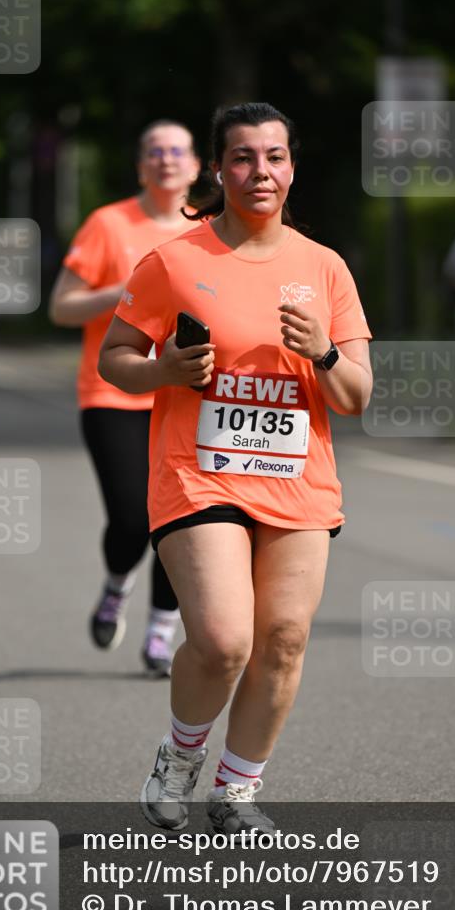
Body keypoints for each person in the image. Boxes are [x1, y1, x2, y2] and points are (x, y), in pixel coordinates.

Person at [98, 102, 373, 834]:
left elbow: (354, 395)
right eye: (244, 157)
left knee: (282, 638)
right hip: (200, 472)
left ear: (291, 167)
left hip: (296, 482)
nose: (261, 172)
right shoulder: (176, 261)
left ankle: (236, 791)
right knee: (224, 640)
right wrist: (163, 370)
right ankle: (179, 758)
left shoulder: (323, 268)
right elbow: (113, 358)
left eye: (275, 157)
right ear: (218, 169)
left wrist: (323, 351)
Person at [49, 120, 201, 676]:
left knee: (179, 521)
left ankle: (161, 632)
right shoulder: (108, 225)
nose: (166, 160)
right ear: (142, 165)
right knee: (133, 521)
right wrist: (129, 291)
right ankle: (117, 585)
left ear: (196, 165)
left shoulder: (210, 230)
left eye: (177, 151)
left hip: (183, 395)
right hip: (113, 392)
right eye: (155, 151)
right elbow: (61, 308)